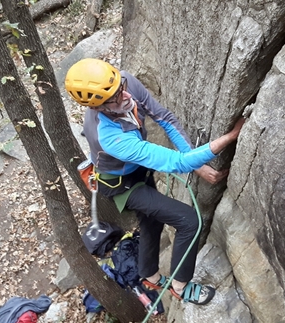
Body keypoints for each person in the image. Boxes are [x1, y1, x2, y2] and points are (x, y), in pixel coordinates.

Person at [65, 58, 245, 305]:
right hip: (121, 185)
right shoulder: (109, 136)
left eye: (120, 86)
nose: (125, 95)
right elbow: (178, 163)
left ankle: (148, 274)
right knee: (189, 220)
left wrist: (197, 161)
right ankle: (180, 288)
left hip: (138, 170)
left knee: (151, 224)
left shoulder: (123, 82)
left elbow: (164, 118)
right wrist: (230, 137)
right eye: (116, 98)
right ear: (99, 107)